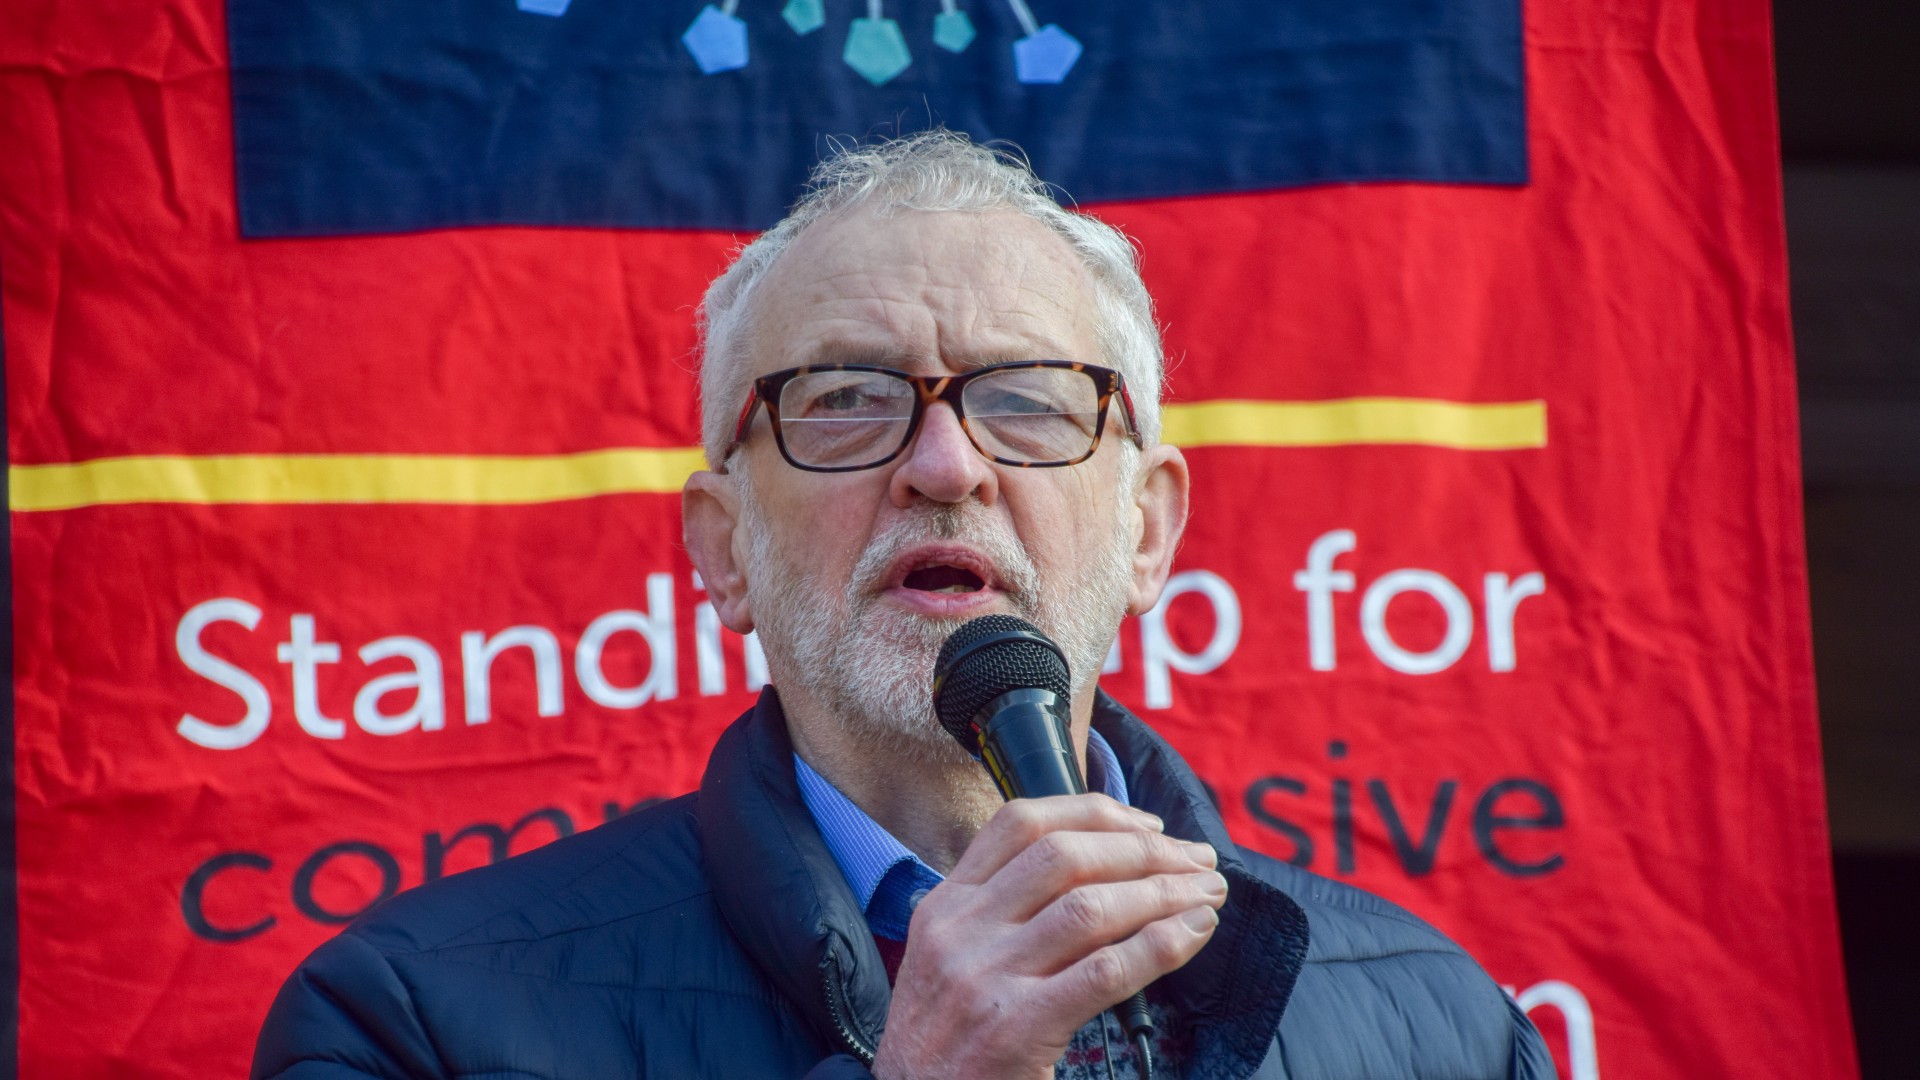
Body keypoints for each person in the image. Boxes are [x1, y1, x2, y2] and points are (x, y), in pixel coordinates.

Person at [253, 132, 1555, 1079]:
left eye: (1032, 402)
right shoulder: (407, 1023)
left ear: (1150, 527)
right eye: (846, 402)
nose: (946, 467)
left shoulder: (1439, 1026)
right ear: (725, 550)